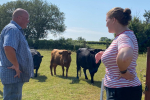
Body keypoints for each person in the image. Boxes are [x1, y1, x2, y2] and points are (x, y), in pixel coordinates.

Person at [95, 7, 142, 100]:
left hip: (122, 92)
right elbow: (122, 52)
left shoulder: (123, 37)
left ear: (113, 20)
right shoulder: (124, 35)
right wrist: (105, 54)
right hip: (123, 90)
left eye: (106, 20)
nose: (106, 25)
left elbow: (125, 56)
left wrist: (123, 71)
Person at [0, 8, 33, 100]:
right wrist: (16, 65)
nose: (28, 20)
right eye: (27, 18)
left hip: (14, 76)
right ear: (19, 18)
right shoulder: (12, 29)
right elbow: (8, 47)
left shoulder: (15, 30)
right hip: (13, 75)